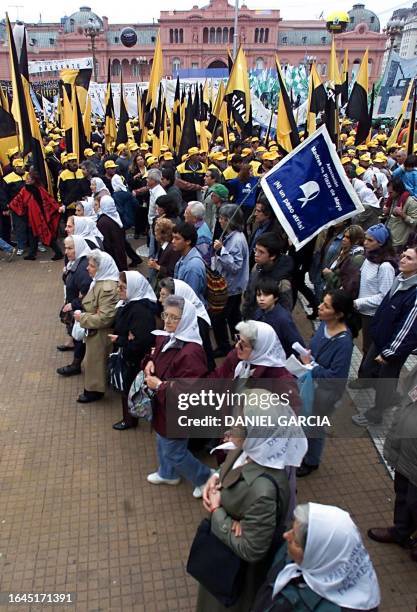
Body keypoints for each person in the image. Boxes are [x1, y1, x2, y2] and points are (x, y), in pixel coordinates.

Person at [197, 389, 308, 612]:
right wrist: (217, 476)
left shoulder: (264, 490)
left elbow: (251, 549)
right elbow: (232, 466)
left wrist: (219, 512)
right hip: (223, 558)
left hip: (234, 577)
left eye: (240, 422)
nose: (232, 426)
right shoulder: (250, 448)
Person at [253, 503, 380, 612]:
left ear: (318, 555)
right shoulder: (339, 558)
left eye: (296, 542)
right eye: (292, 528)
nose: (286, 535)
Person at [143, 296, 211, 497]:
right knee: (161, 439)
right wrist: (148, 362)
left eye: (175, 317)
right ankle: (167, 473)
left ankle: (205, 479)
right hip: (164, 407)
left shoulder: (192, 352)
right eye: (166, 315)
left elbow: (189, 392)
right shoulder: (167, 337)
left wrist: (160, 386)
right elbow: (154, 357)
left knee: (175, 451)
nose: (168, 321)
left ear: (187, 319)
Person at [352, 247, 417, 427]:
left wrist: (389, 353)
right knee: (368, 367)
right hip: (381, 339)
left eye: (409, 258)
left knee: (386, 380)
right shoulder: (401, 278)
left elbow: (408, 329)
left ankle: (376, 413)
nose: (402, 259)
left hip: (393, 347)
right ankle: (390, 396)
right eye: (403, 255)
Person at [297, 291, 356, 477]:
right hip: (311, 386)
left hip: (325, 392)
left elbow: (335, 376)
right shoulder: (324, 324)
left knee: (315, 426)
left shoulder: (344, 343)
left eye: (326, 306)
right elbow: (314, 347)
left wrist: (311, 366)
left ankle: (312, 460)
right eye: (322, 302)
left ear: (338, 314)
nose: (320, 307)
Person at [367, 363, 417, 562]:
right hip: (407, 447)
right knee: (403, 492)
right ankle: (401, 531)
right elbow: (407, 396)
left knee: (415, 500)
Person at [349, 224, 397, 388]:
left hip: (372, 314)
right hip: (360, 309)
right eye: (365, 238)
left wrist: (359, 302)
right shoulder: (369, 258)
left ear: (381, 243)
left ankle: (366, 379)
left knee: (369, 348)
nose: (365, 243)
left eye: (370, 240)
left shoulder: (385, 266)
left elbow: (385, 297)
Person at [111, 272, 157, 430]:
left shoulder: (140, 311)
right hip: (130, 355)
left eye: (122, 287)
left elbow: (139, 342)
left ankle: (130, 420)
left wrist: (120, 339)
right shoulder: (130, 303)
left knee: (131, 390)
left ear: (133, 288)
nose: (119, 290)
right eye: (118, 286)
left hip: (135, 359)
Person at [74, 250, 119, 403]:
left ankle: (94, 391)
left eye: (92, 266)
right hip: (96, 331)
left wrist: (83, 317)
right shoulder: (100, 281)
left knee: (95, 362)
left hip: (101, 334)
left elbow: (105, 318)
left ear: (101, 268)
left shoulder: (107, 288)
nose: (88, 268)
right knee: (93, 362)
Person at [211, 205, 249, 357]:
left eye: (223, 219)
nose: (220, 221)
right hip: (232, 286)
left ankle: (224, 346)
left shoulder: (237, 240)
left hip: (231, 287)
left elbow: (235, 266)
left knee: (218, 318)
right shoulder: (232, 236)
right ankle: (239, 341)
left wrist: (221, 250)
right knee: (234, 316)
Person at [159, 277, 215, 371]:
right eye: (160, 295)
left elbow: (192, 358)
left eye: (164, 296)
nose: (160, 299)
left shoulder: (197, 323)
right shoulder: (182, 314)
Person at [9, 170, 64, 261]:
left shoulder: (32, 189)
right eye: (27, 179)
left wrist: (11, 206)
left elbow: (47, 199)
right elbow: (18, 199)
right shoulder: (34, 189)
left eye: (29, 179)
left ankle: (58, 253)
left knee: (44, 235)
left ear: (33, 180)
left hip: (39, 216)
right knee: (33, 235)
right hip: (34, 216)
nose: (27, 180)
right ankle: (32, 254)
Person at [57, 236, 93, 376]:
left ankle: (76, 365)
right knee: (78, 336)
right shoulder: (76, 263)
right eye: (65, 248)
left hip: (80, 309)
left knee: (80, 337)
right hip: (76, 307)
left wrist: (74, 304)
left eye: (70, 248)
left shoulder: (83, 268)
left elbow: (87, 294)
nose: (66, 252)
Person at [242, 232, 293, 319]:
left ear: (272, 256)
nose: (256, 254)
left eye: (261, 252)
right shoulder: (256, 267)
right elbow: (249, 293)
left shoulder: (282, 283)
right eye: (256, 249)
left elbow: (284, 312)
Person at [253, 277, 305, 358]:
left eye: (266, 295)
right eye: (258, 295)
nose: (261, 299)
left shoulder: (283, 319)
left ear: (276, 297)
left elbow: (297, 344)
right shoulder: (259, 311)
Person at [322, 225, 365, 299]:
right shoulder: (344, 250)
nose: (344, 239)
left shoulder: (356, 258)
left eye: (348, 237)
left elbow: (347, 286)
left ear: (357, 240)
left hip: (337, 299)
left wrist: (329, 275)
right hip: (330, 293)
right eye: (344, 236)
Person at [173, 222, 207, 304]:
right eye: (173, 237)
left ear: (188, 241)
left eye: (177, 238)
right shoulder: (185, 257)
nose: (173, 241)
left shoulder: (193, 267)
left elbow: (190, 299)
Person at [383, 177, 417, 252]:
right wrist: (387, 212)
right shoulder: (393, 199)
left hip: (399, 242)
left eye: (391, 192)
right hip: (389, 238)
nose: (389, 195)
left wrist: (403, 215)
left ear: (398, 191)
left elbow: (414, 223)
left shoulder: (411, 202)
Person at [95, 195, 128, 271]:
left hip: (112, 254)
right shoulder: (115, 215)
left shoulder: (103, 221)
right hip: (120, 251)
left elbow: (105, 243)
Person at [184, 201, 213, 265]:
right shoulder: (198, 226)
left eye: (186, 213)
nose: (184, 215)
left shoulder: (201, 237)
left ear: (194, 218)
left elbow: (204, 261)